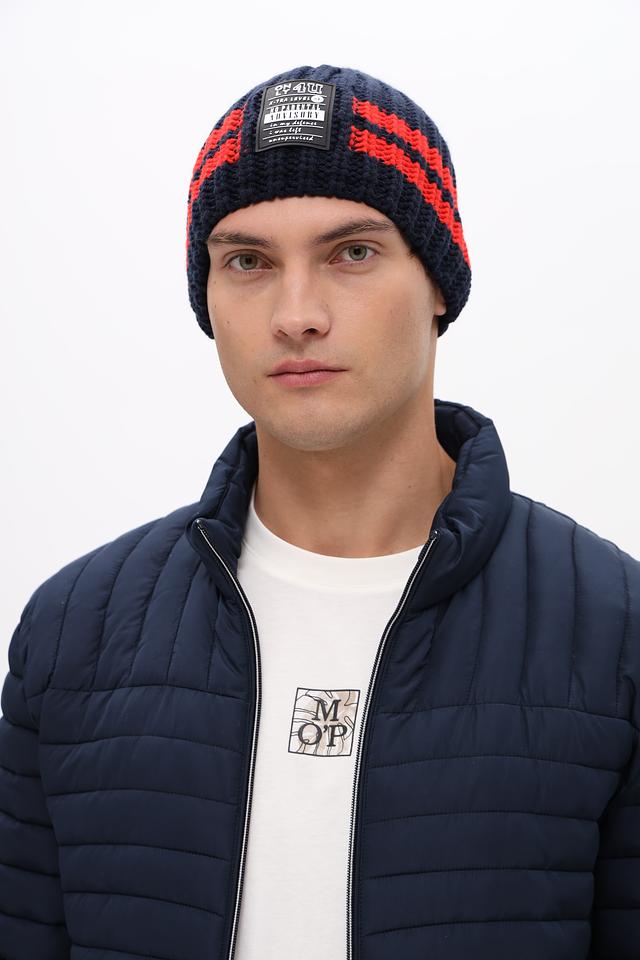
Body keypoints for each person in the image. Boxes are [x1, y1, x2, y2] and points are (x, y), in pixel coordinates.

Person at [0, 63, 638, 960]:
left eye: (352, 253)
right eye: (248, 262)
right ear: (208, 298)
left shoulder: (613, 631)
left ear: (440, 282)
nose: (296, 315)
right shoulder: (75, 631)